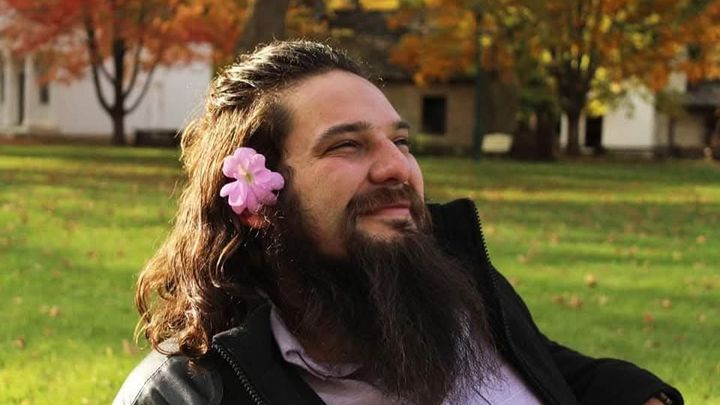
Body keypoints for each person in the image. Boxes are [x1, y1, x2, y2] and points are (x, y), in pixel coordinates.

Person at [114, 40, 682, 405]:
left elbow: (544, 364)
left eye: (401, 142)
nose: (398, 168)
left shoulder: (455, 282)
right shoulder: (191, 393)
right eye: (346, 145)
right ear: (257, 200)